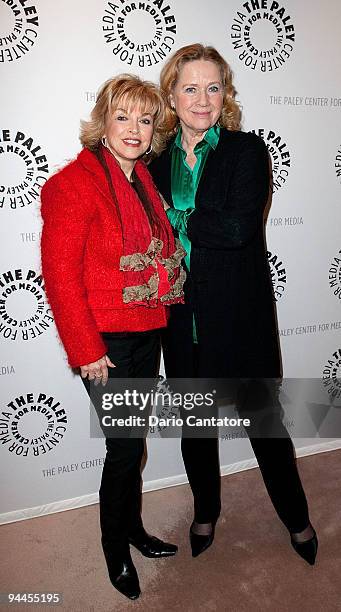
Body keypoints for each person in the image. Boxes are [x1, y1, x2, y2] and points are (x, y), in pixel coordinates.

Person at [150, 44, 318, 565]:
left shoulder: (247, 151)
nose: (203, 99)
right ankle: (205, 513)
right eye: (191, 88)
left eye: (214, 87)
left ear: (227, 95)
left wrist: (176, 220)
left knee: (266, 429)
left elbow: (239, 228)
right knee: (196, 432)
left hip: (240, 321)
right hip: (182, 324)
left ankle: (298, 520)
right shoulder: (153, 164)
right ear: (172, 98)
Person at [40, 74, 186, 600]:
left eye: (145, 119)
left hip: (146, 330)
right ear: (102, 122)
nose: (135, 128)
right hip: (105, 341)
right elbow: (59, 276)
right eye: (122, 116)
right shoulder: (70, 185)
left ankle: (132, 528)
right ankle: (115, 550)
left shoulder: (142, 179)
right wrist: (87, 349)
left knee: (132, 444)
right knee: (124, 450)